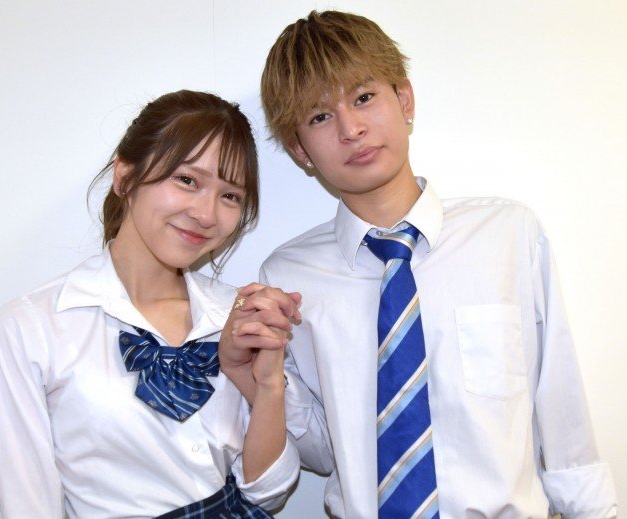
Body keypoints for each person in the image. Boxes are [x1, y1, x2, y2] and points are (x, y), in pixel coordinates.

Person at [248, 10, 617, 518]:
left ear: (405, 100)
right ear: (299, 150)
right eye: (319, 117)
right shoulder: (288, 278)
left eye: (363, 97)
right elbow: (325, 451)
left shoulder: (508, 235)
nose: (351, 129)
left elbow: (563, 413)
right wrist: (264, 381)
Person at [0, 89, 303, 518]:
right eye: (187, 180)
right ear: (124, 177)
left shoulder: (239, 316)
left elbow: (269, 493)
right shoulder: (32, 326)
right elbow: (28, 507)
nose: (207, 214)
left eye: (230, 196)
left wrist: (265, 386)